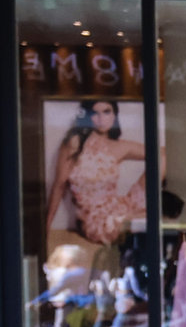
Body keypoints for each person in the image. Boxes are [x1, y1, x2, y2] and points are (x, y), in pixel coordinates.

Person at [43, 99, 146, 250]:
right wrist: (45, 228)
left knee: (161, 160)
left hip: (118, 207)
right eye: (94, 113)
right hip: (94, 220)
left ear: (114, 115)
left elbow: (161, 153)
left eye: (106, 112)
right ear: (87, 116)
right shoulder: (75, 142)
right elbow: (59, 186)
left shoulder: (119, 146)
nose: (101, 119)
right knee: (143, 224)